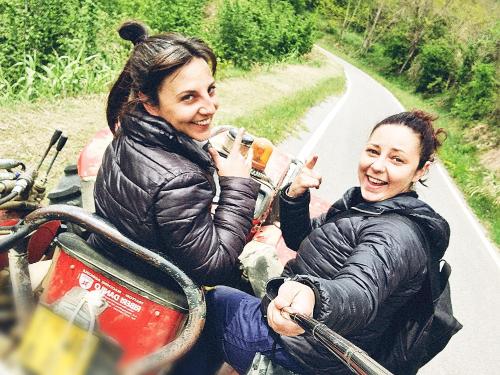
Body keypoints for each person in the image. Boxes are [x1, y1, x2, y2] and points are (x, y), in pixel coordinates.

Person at [176, 110, 450, 374]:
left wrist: (314, 297)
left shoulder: (396, 233)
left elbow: (360, 293)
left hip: (304, 355)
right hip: (304, 336)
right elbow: (303, 242)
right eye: (373, 151)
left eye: (397, 160)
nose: (377, 166)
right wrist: (295, 197)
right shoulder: (365, 205)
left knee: (211, 303)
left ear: (420, 170)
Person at [88, 21, 260, 287]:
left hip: (110, 260)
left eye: (210, 90)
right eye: (189, 97)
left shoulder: (128, 130)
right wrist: (237, 185)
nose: (210, 107)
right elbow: (214, 267)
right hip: (152, 291)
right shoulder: (181, 180)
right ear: (150, 103)